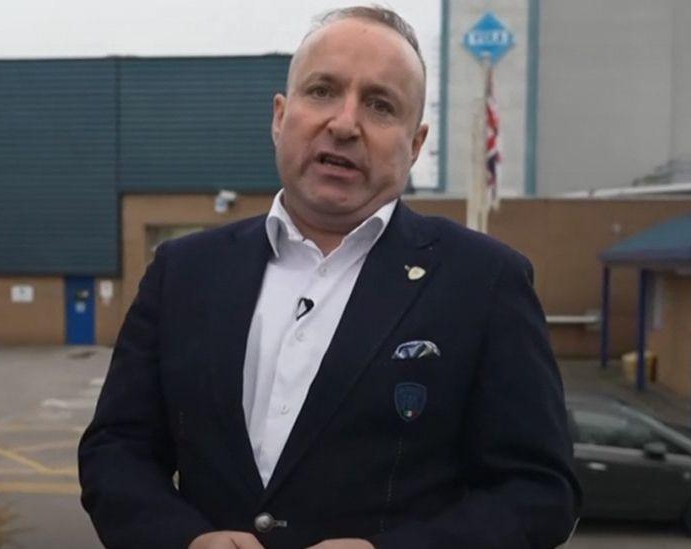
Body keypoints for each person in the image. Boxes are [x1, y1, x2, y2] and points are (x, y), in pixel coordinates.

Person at [78, 6, 580, 549]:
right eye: (322, 91)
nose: (344, 124)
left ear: (414, 145)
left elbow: (539, 493)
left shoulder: (487, 282)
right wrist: (183, 540)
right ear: (279, 116)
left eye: (380, 105)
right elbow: (116, 449)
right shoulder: (183, 272)